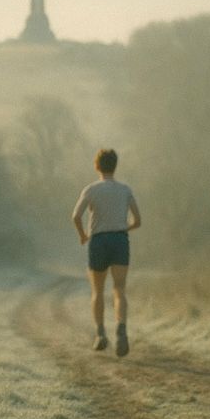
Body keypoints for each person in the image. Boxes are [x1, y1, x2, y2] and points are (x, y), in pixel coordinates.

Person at [73, 148, 141, 356]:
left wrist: (83, 235)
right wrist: (123, 228)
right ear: (115, 166)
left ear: (97, 166)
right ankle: (121, 329)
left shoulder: (91, 190)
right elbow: (138, 220)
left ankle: (101, 334)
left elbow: (76, 216)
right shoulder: (125, 190)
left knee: (98, 291)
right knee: (119, 289)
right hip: (120, 240)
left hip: (99, 241)